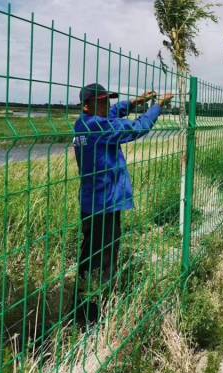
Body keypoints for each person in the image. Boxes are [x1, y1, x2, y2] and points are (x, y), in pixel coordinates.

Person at [73, 83, 173, 322]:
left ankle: (84, 309)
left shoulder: (84, 123)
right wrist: (156, 107)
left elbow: (115, 112)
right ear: (87, 106)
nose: (107, 105)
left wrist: (136, 102)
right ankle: (93, 318)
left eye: (108, 100)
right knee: (103, 262)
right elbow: (137, 128)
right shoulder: (98, 126)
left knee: (90, 256)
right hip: (105, 204)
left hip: (94, 202)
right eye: (102, 102)